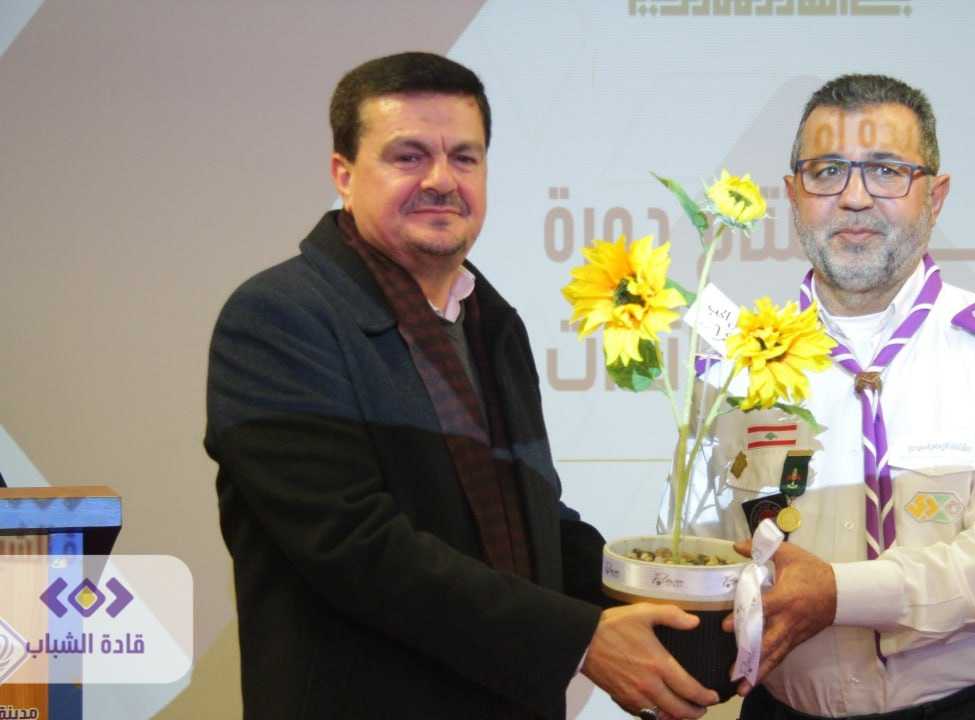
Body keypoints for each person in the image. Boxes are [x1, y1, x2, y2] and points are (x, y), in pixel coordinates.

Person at [205, 52, 718, 720]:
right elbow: (356, 547)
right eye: (409, 156)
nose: (442, 180)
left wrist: (680, 593)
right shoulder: (278, 317)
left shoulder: (492, 321)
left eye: (464, 157)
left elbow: (535, 524)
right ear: (343, 175)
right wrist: (579, 640)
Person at [696, 74, 975, 719]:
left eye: (886, 171)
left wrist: (837, 594)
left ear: (936, 195)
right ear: (794, 194)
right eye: (827, 171)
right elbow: (703, 550)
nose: (854, 198)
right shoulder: (736, 364)